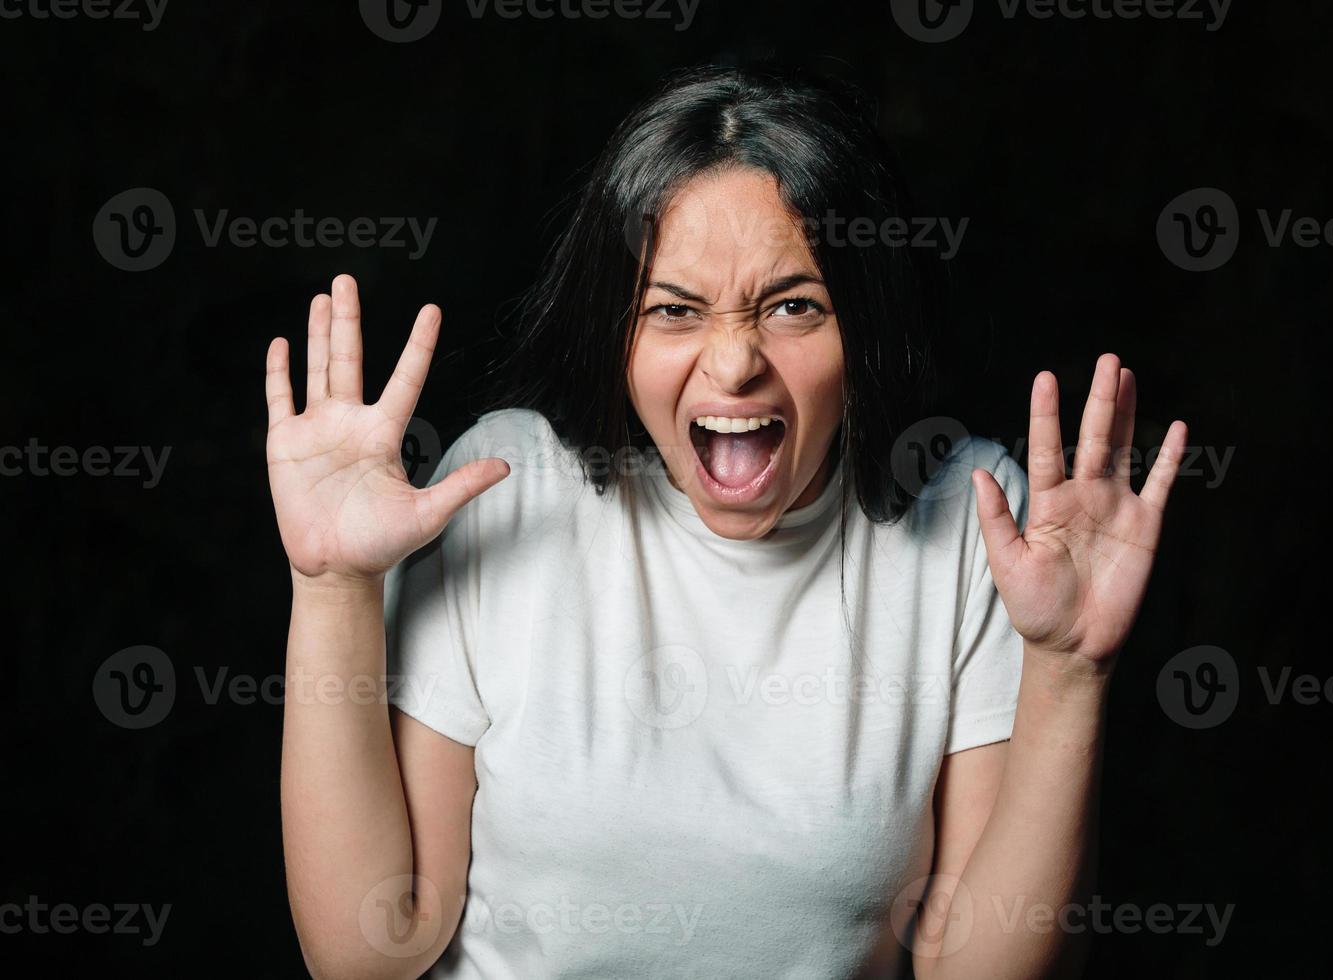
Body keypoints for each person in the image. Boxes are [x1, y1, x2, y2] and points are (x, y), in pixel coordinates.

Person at [264, 65, 1188, 980]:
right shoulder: (512, 485)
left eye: (794, 306)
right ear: (615, 332)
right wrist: (334, 585)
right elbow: (366, 951)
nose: (735, 362)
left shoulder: (972, 521)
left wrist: (1070, 671)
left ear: (865, 324)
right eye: (674, 311)